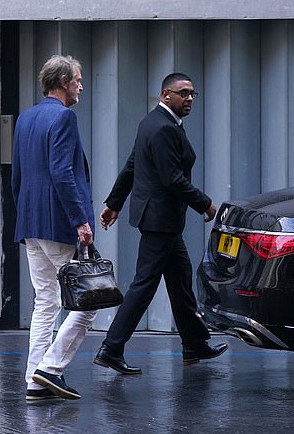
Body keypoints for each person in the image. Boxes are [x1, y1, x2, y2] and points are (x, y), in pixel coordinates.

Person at [93, 73, 228, 375]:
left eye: (193, 93)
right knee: (144, 285)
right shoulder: (164, 128)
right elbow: (171, 179)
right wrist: (205, 203)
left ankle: (194, 343)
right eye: (183, 93)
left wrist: (114, 203)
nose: (190, 99)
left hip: (161, 220)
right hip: (160, 220)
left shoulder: (151, 123)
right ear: (166, 95)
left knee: (180, 279)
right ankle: (111, 348)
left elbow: (132, 165)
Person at [12, 55, 96, 401]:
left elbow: (16, 175)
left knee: (45, 302)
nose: (80, 86)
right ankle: (51, 368)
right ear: (63, 82)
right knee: (88, 302)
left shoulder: (26, 118)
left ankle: (35, 381)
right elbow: (63, 173)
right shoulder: (64, 117)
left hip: (31, 221)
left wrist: (25, 215)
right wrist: (80, 220)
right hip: (59, 222)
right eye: (77, 80)